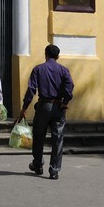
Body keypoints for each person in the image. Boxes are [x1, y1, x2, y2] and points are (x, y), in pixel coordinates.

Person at [19, 43, 74, 181]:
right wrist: (65, 102)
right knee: (58, 139)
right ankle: (54, 170)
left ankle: (38, 164)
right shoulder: (63, 70)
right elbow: (69, 86)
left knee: (38, 136)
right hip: (58, 107)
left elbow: (31, 90)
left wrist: (24, 108)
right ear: (58, 56)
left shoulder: (38, 69)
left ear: (46, 54)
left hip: (43, 105)